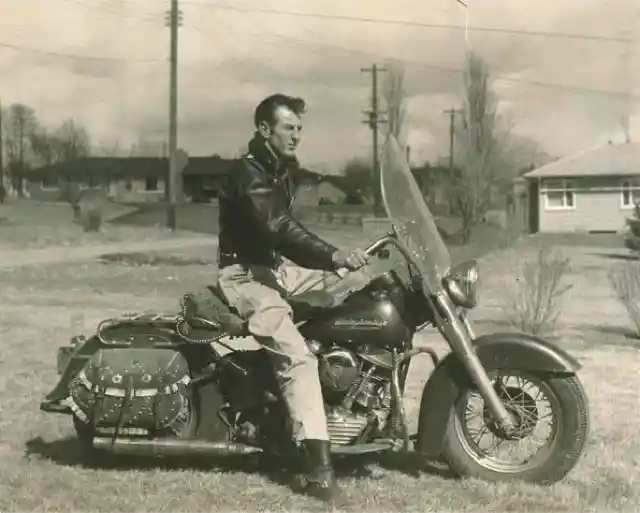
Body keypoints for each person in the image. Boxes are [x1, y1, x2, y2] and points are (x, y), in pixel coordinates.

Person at [217, 93, 369, 502]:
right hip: (245, 276)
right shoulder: (247, 174)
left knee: (355, 283)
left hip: (274, 270)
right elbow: (278, 228)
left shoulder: (277, 170)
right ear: (264, 129)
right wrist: (331, 254)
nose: (296, 135)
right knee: (297, 356)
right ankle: (319, 470)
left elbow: (285, 235)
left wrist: (343, 264)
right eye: (289, 127)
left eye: (300, 128)